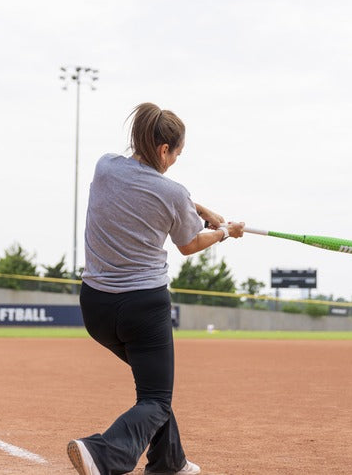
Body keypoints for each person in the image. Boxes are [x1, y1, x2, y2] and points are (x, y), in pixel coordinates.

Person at [67, 102, 245, 475]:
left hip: (96, 307)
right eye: (177, 152)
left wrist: (200, 207)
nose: (176, 159)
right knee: (156, 399)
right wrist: (225, 232)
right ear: (164, 149)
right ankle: (102, 452)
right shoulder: (173, 192)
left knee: (152, 387)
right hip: (142, 309)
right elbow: (189, 244)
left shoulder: (105, 167)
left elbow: (158, 194)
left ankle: (169, 462)